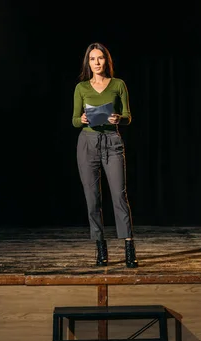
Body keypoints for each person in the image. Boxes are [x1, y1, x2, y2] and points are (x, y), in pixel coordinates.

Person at [71, 42, 138, 268]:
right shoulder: (81, 87)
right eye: (92, 59)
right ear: (87, 63)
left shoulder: (118, 85)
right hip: (88, 142)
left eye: (100, 58)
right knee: (92, 199)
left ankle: (129, 247)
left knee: (119, 196)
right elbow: (73, 120)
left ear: (106, 61)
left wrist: (118, 118)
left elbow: (128, 116)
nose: (96, 63)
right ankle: (100, 248)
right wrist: (81, 120)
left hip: (112, 141)